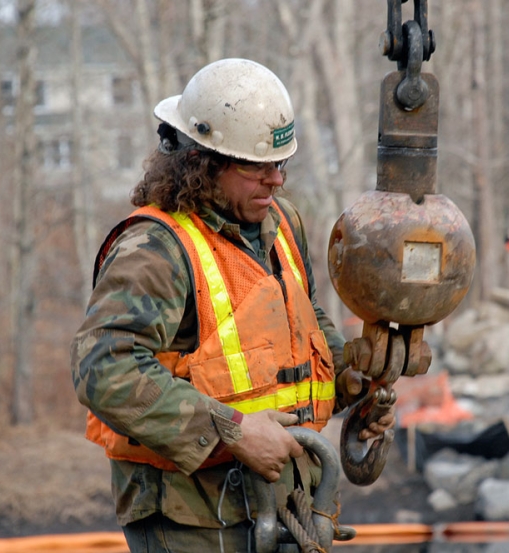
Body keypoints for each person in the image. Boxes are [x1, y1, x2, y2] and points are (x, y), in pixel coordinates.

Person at [71, 58, 394, 553]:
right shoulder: (154, 249)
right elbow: (103, 368)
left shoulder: (281, 223)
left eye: (280, 164)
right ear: (201, 162)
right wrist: (234, 433)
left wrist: (352, 378)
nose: (275, 181)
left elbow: (299, 324)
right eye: (256, 166)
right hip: (194, 520)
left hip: (284, 503)